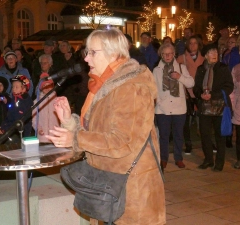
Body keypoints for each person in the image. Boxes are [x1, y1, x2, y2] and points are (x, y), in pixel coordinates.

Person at [45, 28, 165, 225]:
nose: (86, 59)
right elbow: (98, 133)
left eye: (93, 52)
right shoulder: (104, 86)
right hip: (109, 187)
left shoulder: (131, 88)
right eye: (86, 52)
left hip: (131, 191)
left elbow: (122, 142)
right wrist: (69, 122)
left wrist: (75, 139)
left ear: (113, 54)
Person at [153, 43, 194, 169]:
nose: (168, 56)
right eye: (165, 54)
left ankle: (178, 158)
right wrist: (159, 102)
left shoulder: (181, 67)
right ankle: (163, 158)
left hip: (179, 107)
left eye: (170, 53)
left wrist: (180, 77)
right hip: (162, 108)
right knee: (164, 136)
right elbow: (154, 89)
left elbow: (191, 83)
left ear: (174, 54)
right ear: (161, 54)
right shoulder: (157, 70)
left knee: (178, 135)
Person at [193, 45, 234, 172]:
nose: (214, 54)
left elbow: (229, 87)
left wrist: (213, 94)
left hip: (219, 105)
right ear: (205, 55)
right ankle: (208, 160)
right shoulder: (201, 69)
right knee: (205, 134)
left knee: (219, 135)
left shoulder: (223, 68)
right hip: (204, 106)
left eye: (215, 51)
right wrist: (200, 94)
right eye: (211, 52)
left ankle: (219, 162)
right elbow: (196, 87)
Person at [177, 35, 205, 154]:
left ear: (199, 45)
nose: (193, 45)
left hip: (200, 93)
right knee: (186, 122)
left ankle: (206, 142)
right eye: (190, 43)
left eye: (195, 43)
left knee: (203, 121)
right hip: (186, 93)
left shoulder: (204, 58)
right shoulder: (181, 58)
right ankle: (188, 144)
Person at [32, 73, 59, 143]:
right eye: (44, 86)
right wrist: (38, 128)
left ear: (53, 86)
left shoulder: (57, 100)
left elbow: (61, 119)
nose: (47, 88)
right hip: (42, 137)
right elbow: (34, 119)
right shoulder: (37, 102)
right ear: (41, 88)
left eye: (49, 86)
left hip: (55, 136)